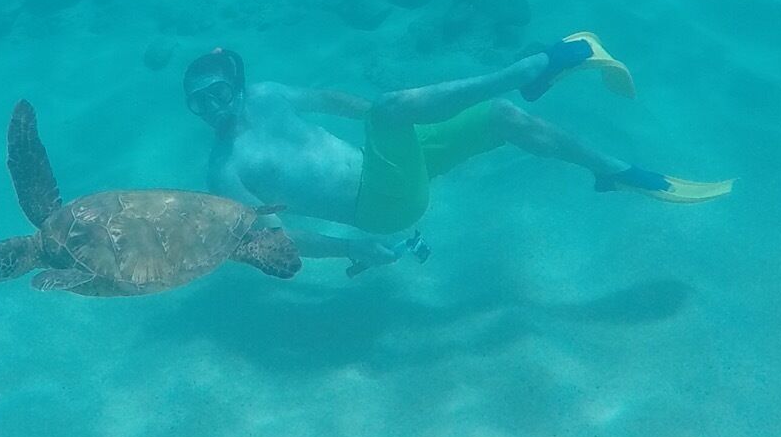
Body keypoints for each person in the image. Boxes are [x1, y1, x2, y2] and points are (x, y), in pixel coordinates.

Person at [181, 35, 730, 274]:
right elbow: (274, 240)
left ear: (238, 81)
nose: (212, 107)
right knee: (394, 108)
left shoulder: (271, 94)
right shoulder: (225, 169)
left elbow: (331, 100)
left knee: (502, 118)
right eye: (199, 102)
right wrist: (358, 248)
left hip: (392, 160)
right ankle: (531, 68)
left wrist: (381, 118)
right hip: (381, 206)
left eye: (218, 91)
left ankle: (612, 172)